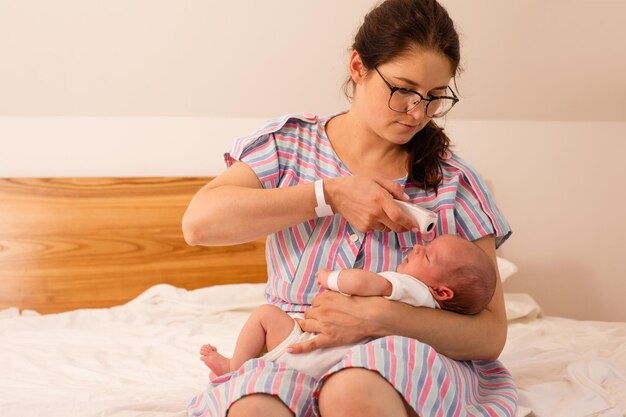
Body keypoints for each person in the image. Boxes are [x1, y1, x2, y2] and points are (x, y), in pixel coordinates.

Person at [183, 0, 517, 415]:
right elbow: (199, 224)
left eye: (433, 97)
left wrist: (380, 316)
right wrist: (328, 196)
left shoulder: (455, 182)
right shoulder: (288, 145)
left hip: (402, 351)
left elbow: (489, 334)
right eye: (403, 90)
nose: (418, 113)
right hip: (293, 345)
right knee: (254, 407)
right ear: (358, 67)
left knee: (352, 391)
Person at [199, 234, 497, 381]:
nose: (418, 247)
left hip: (313, 348)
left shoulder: (412, 287)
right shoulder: (431, 311)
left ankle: (233, 368)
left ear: (442, 291)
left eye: (428, 256)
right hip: (339, 367)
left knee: (265, 315)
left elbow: (369, 284)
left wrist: (332, 277)